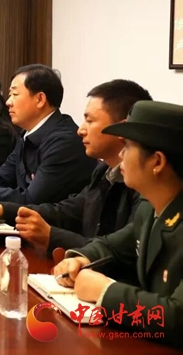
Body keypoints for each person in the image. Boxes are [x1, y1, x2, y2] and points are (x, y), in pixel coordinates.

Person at [0, 80, 153, 252]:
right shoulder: (104, 171)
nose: (80, 130)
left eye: (90, 121)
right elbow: (67, 211)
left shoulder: (146, 185)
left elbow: (121, 253)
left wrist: (51, 235)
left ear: (122, 129)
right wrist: (2, 210)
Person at [52, 101, 183, 349]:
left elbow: (178, 318)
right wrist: (81, 258)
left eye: (129, 147)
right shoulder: (150, 209)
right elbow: (113, 246)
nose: (121, 155)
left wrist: (105, 291)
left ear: (157, 162)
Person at [0, 64, 97, 204]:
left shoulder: (63, 142)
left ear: (40, 99)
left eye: (14, 94)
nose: (8, 102)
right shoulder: (27, 134)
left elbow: (31, 200)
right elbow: (0, 178)